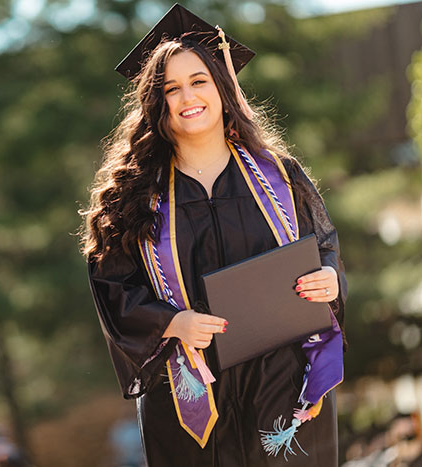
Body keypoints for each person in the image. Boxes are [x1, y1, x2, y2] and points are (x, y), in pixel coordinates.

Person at [80, 5, 347, 467]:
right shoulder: (131, 199)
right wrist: (171, 322)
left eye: (199, 80)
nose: (187, 97)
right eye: (171, 88)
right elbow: (113, 290)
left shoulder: (281, 178)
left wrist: (329, 277)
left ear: (222, 86)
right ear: (155, 102)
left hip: (284, 382)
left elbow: (323, 249)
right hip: (191, 393)